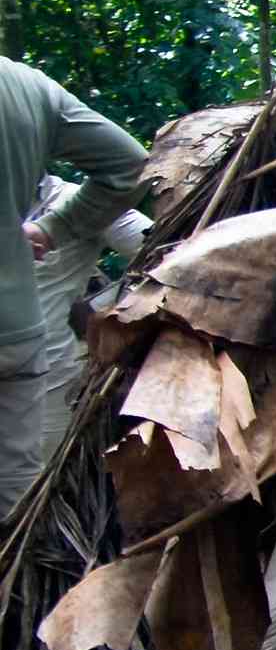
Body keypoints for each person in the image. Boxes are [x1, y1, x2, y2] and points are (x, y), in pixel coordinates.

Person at [1, 60, 145, 515]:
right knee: (17, 488)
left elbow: (157, 248)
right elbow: (129, 163)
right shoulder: (23, 84)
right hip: (19, 345)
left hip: (50, 374)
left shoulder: (66, 198)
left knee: (31, 488)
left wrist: (108, 314)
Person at [25, 172, 148, 466]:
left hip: (43, 381)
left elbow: (166, 248)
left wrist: (107, 313)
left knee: (32, 480)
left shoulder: (76, 201)